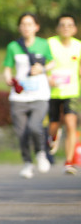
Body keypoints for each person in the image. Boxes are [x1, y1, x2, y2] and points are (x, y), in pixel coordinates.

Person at [3, 12, 55, 178]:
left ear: (36, 27)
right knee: (22, 133)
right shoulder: (13, 46)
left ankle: (40, 153)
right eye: (23, 24)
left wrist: (42, 69)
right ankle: (27, 162)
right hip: (19, 96)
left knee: (34, 126)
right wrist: (8, 78)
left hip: (39, 94)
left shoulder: (43, 44)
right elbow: (7, 67)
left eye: (30, 24)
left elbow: (52, 62)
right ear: (19, 27)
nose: (26, 27)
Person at [47, 14, 81, 175]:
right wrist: (48, 78)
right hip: (52, 91)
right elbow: (42, 64)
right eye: (63, 25)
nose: (66, 28)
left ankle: (68, 162)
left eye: (69, 25)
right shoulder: (50, 44)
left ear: (74, 29)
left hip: (72, 91)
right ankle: (53, 137)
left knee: (70, 123)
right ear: (57, 28)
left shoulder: (78, 46)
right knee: (53, 124)